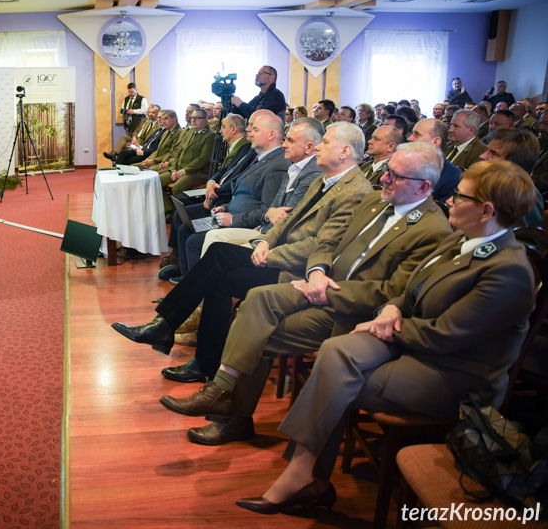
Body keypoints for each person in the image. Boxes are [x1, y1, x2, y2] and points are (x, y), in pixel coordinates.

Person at [237, 160, 535, 516]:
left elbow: (447, 337)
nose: (450, 200)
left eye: (459, 196)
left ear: (486, 210)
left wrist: (388, 324)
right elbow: (407, 289)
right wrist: (392, 308)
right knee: (335, 350)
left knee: (335, 379)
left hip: (455, 375)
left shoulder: (508, 270)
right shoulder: (462, 240)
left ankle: (301, 475)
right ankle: (305, 474)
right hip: (411, 343)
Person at [161, 144, 450, 445]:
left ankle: (228, 414)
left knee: (251, 327)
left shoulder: (433, 230)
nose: (385, 178)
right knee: (255, 300)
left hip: (350, 312)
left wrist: (326, 290)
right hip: (317, 283)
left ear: (424, 187)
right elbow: (328, 243)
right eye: (386, 171)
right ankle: (220, 396)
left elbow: (393, 293)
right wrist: (317, 273)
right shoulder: (376, 202)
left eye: (395, 175)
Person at [110, 122, 373, 379]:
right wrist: (266, 242)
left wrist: (271, 253)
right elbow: (288, 221)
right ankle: (196, 356)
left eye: (325, 142)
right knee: (218, 272)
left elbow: (323, 244)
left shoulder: (354, 190)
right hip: (279, 254)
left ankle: (168, 328)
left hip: (298, 271)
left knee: (219, 258)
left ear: (345, 151)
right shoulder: (325, 181)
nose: (319, 147)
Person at [161, 114, 290, 282]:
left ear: (272, 134)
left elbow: (268, 210)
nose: (249, 131)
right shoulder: (261, 157)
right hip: (228, 213)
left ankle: (195, 292)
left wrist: (233, 218)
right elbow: (241, 190)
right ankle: (186, 277)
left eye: (255, 129)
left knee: (194, 241)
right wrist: (226, 207)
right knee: (186, 228)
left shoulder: (277, 165)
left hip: (244, 223)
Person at [408, 118, 461, 202]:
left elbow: (441, 213)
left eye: (417, 135)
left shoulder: (452, 177)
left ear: (435, 142)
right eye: (411, 133)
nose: (409, 138)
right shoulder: (405, 166)